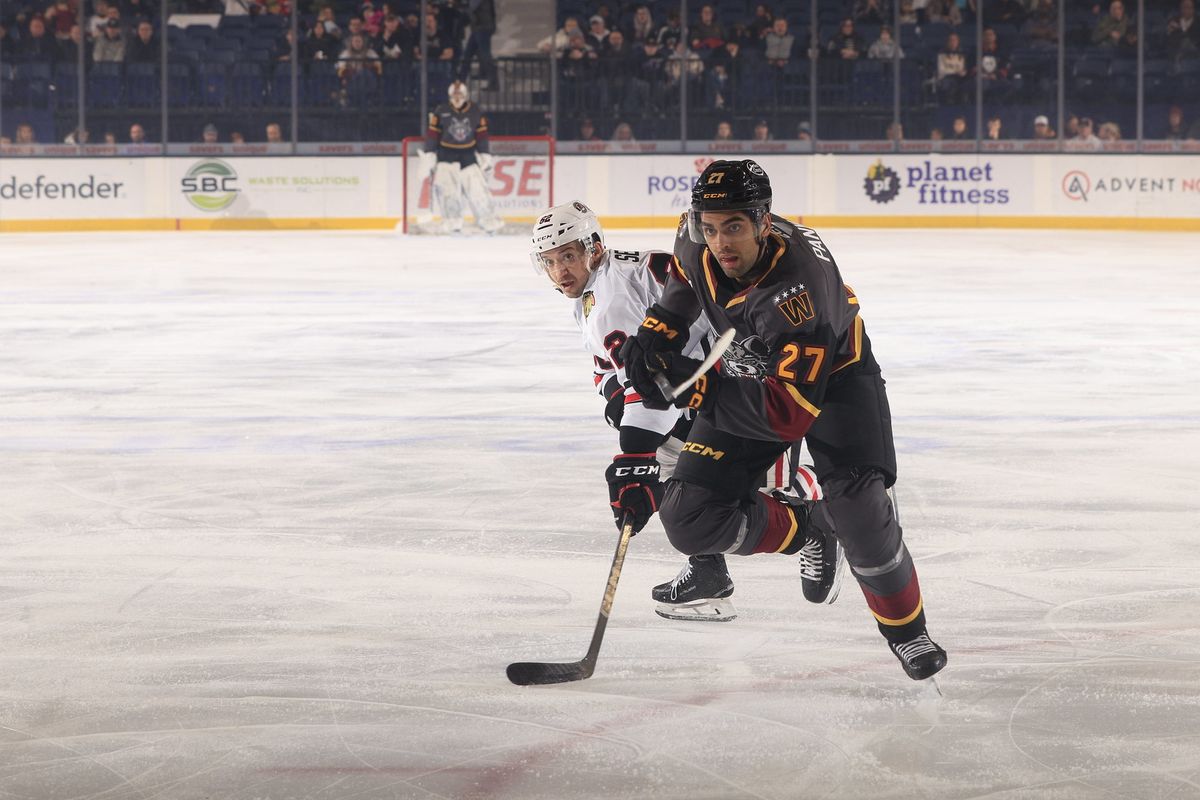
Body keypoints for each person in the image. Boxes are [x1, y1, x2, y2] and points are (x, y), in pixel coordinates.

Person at [618, 160, 947, 681]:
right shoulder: (694, 237)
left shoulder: (799, 291)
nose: (720, 243)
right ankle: (815, 527)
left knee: (862, 515)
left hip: (835, 382)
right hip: (753, 371)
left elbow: (788, 415)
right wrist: (662, 329)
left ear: (763, 222)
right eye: (710, 227)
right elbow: (687, 275)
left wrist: (694, 384)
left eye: (734, 228)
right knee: (689, 520)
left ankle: (909, 633)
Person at [529, 201, 830, 621]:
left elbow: (656, 388)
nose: (561, 269)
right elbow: (612, 368)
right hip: (719, 372)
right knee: (680, 468)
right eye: (550, 260)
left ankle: (838, 493)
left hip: (747, 372)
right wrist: (619, 399)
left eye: (569, 255)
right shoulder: (602, 285)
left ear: (594, 248)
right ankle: (708, 570)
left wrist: (635, 452)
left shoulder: (610, 298)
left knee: (719, 477)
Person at [418, 80, 502, 234]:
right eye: (454, 94)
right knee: (448, 192)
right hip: (445, 155)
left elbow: (481, 135)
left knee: (478, 190)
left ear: (465, 95)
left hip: (468, 155)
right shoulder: (441, 110)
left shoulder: (475, 111)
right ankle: (453, 223)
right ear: (450, 95)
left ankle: (489, 222)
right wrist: (430, 152)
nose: (457, 97)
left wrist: (484, 153)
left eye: (460, 94)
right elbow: (433, 134)